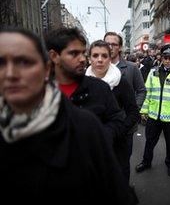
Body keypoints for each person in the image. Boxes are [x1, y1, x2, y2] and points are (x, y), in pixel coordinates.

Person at [0, 27, 135, 204]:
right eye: (2, 63)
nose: (11, 73)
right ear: (53, 58)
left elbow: (115, 188)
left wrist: (101, 136)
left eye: (24, 62)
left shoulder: (91, 113)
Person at [45, 28, 124, 143]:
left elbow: (116, 120)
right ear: (54, 56)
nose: (82, 59)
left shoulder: (100, 88)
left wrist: (100, 137)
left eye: (83, 53)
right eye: (74, 53)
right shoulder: (37, 93)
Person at [86, 40, 139, 182]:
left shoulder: (121, 82)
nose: (99, 60)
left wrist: (117, 132)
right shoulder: (82, 83)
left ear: (110, 59)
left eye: (104, 56)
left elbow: (133, 113)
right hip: (91, 143)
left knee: (119, 176)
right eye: (95, 55)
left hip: (117, 142)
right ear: (89, 58)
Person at [135, 45, 170, 176]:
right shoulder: (153, 72)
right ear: (161, 58)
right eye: (165, 58)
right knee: (149, 141)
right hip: (154, 116)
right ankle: (146, 162)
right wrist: (144, 111)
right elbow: (147, 93)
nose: (167, 60)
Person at [104, 32, 146, 108]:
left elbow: (141, 91)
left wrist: (134, 111)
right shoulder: (97, 68)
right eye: (107, 44)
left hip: (125, 116)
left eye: (114, 44)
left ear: (120, 47)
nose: (110, 47)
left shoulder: (132, 68)